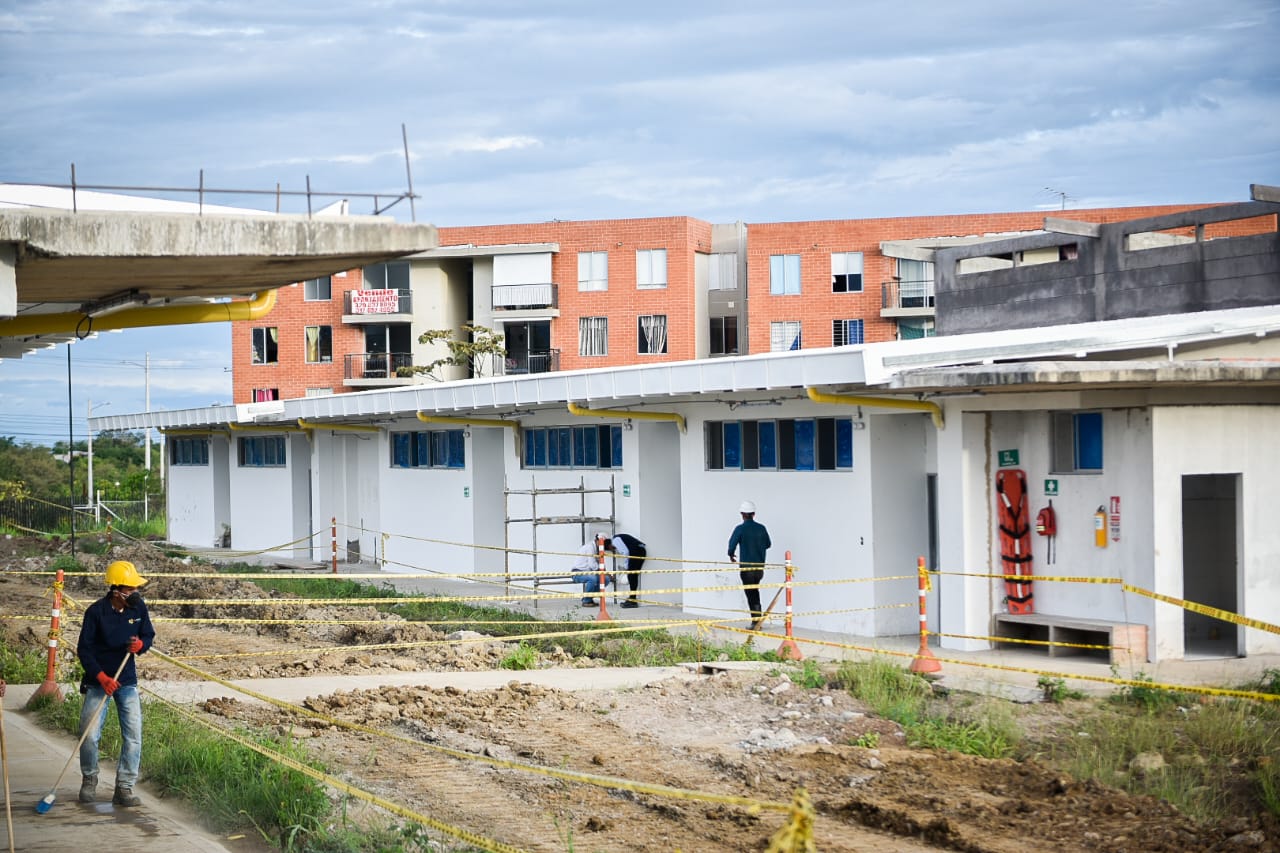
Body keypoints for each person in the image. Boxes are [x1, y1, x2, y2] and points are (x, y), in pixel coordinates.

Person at [76, 559, 155, 807]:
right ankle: (89, 780)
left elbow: (148, 634)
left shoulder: (138, 609)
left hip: (127, 680)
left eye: (134, 589)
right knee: (89, 735)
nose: (134, 594)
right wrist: (101, 678)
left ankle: (124, 787)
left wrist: (141, 645)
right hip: (99, 680)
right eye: (129, 590)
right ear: (115, 591)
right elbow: (84, 651)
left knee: (133, 735)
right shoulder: (95, 613)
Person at [727, 500, 772, 622]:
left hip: (747, 568)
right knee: (755, 591)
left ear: (742, 514)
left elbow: (731, 546)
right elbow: (768, 544)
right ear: (754, 514)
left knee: (751, 593)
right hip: (759, 568)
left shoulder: (740, 529)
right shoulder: (762, 528)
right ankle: (757, 619)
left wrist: (731, 555)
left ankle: (756, 621)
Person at [569, 537, 615, 607]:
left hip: (589, 573)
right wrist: (605, 573)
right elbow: (592, 565)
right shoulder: (590, 547)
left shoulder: (598, 549)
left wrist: (607, 574)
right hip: (577, 572)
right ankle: (586, 601)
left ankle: (588, 598)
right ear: (597, 540)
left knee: (606, 579)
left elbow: (601, 565)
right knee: (592, 578)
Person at [608, 533, 647, 608]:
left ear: (609, 545)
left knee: (631, 576)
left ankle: (633, 600)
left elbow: (625, 552)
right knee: (633, 576)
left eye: (611, 549)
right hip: (641, 550)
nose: (613, 549)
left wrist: (626, 567)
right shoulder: (620, 537)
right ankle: (632, 598)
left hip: (636, 551)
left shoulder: (615, 540)